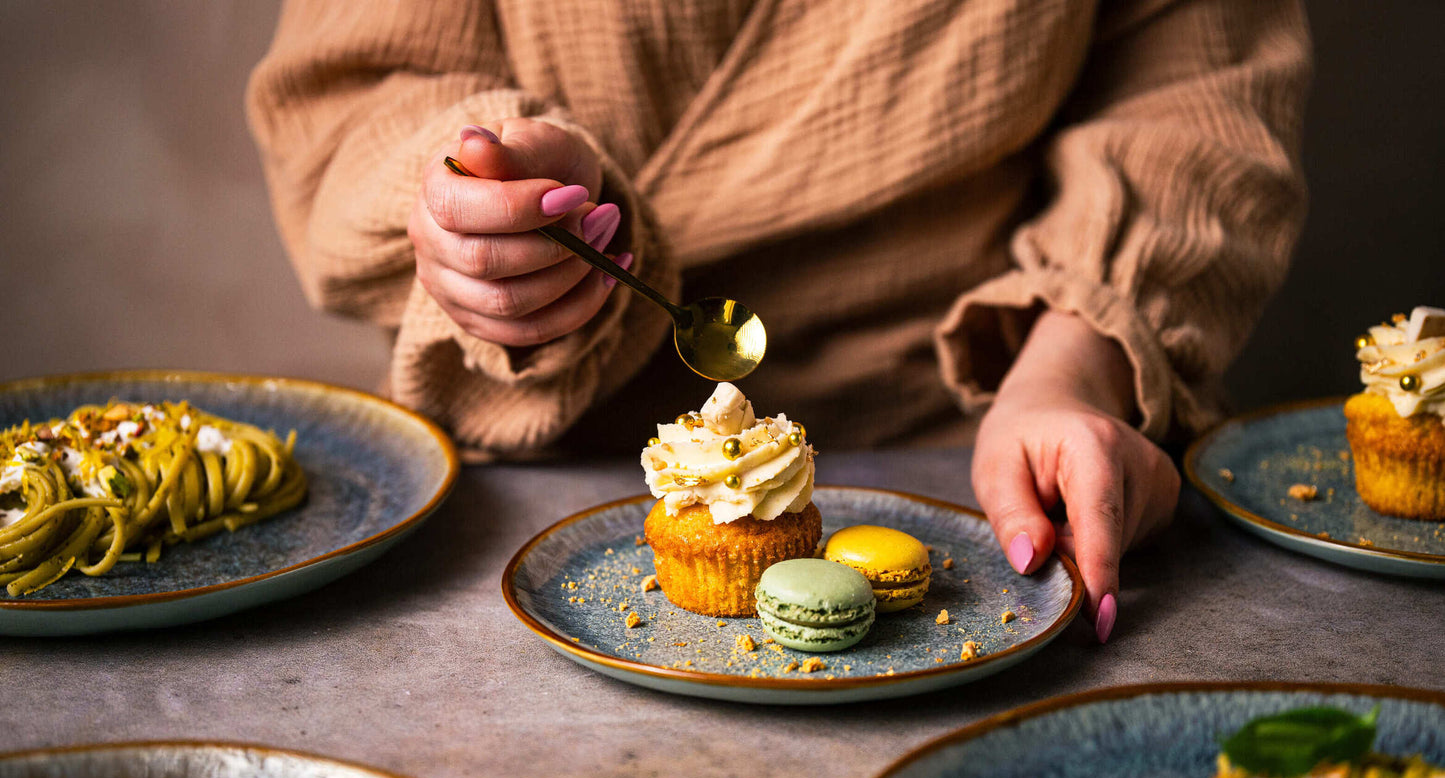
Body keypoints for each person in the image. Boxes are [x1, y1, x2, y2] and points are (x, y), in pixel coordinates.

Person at [247, 0, 1310, 643]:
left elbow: (1198, 101)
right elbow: (354, 89)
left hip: (970, 450)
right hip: (539, 466)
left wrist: (1071, 363)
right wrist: (470, 197)